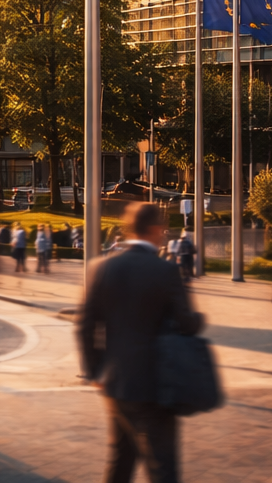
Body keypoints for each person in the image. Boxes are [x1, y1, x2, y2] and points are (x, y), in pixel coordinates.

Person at [77, 202, 202, 483]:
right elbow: (186, 323)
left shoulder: (101, 267)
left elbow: (85, 324)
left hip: (115, 383)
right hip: (154, 385)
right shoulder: (165, 271)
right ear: (156, 230)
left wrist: (95, 371)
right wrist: (199, 319)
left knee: (121, 460)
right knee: (162, 467)